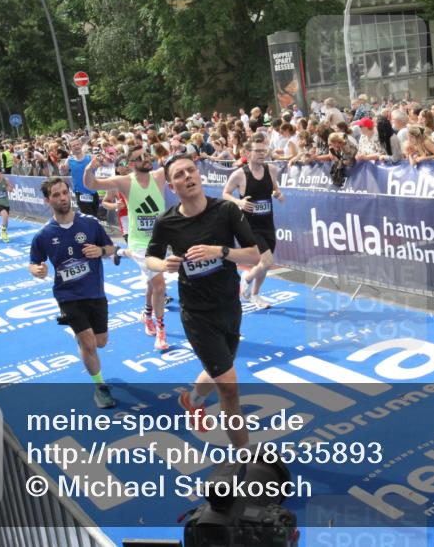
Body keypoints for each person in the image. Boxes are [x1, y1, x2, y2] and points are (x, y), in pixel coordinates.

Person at [144, 154, 261, 448]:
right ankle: (245, 462)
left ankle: (192, 400)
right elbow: (151, 258)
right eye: (180, 175)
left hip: (229, 306)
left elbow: (254, 255)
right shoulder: (166, 221)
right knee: (230, 389)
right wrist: (164, 265)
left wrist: (220, 251)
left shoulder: (225, 211)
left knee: (220, 366)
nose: (188, 177)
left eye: (191, 171)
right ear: (172, 186)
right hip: (196, 314)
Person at [28, 178, 118, 409]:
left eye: (64, 193)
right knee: (88, 343)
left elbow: (110, 249)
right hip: (67, 295)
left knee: (100, 342)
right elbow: (33, 262)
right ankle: (100, 387)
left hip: (95, 291)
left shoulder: (90, 223)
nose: (62, 198)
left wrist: (100, 250)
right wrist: (37, 270)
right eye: (56, 195)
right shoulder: (44, 234)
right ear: (48, 200)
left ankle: (83, 339)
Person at [84, 145, 172, 351]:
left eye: (146, 154)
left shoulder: (159, 175)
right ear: (132, 164)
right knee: (159, 285)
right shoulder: (124, 181)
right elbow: (92, 184)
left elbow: (183, 165)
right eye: (139, 157)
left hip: (159, 240)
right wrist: (90, 169)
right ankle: (161, 330)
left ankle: (147, 315)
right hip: (140, 244)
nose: (145, 158)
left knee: (152, 284)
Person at [222, 134, 285, 310]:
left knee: (264, 265)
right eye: (257, 151)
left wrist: (278, 195)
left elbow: (275, 189)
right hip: (250, 226)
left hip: (267, 223)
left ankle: (255, 294)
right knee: (266, 262)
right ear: (247, 153)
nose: (261, 154)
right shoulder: (240, 174)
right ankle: (247, 279)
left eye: (263, 151)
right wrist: (239, 202)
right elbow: (225, 193)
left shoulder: (271, 169)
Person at [67, 139, 100, 216]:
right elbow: (63, 171)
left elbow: (100, 164)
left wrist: (100, 162)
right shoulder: (69, 160)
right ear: (70, 148)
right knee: (89, 217)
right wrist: (61, 168)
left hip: (93, 192)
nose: (76, 147)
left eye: (77, 144)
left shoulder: (90, 157)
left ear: (81, 145)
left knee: (95, 216)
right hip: (81, 194)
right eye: (73, 146)